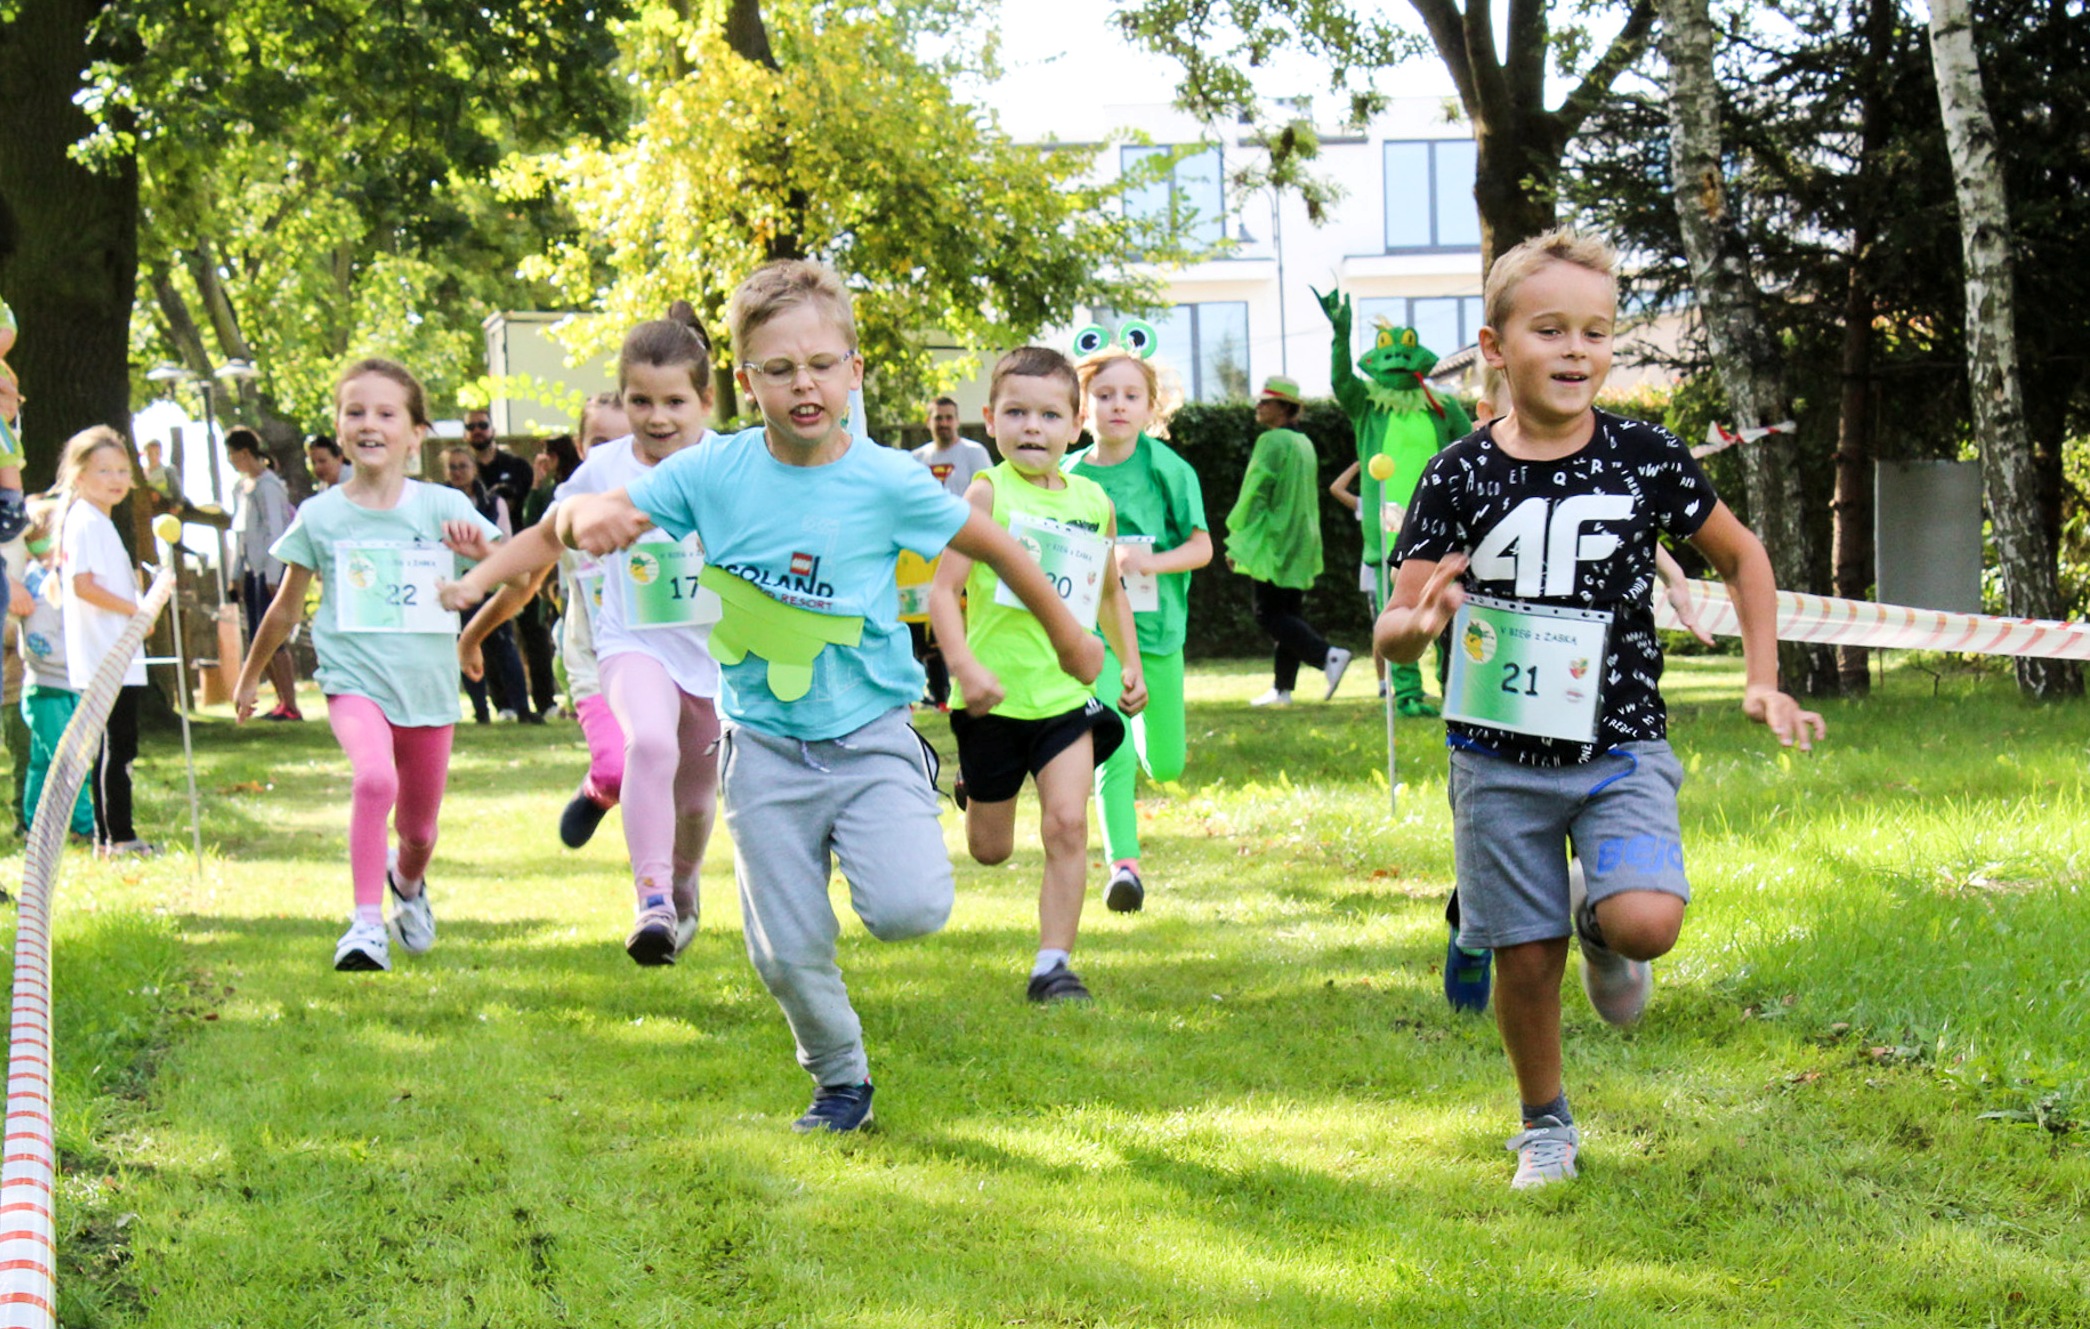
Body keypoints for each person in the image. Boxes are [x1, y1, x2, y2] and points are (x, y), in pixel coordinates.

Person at [558, 260, 1102, 1133]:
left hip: (867, 728)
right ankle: (841, 1079)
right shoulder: (716, 470)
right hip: (763, 748)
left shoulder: (888, 478)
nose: (802, 383)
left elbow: (1000, 548)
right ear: (747, 383)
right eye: (778, 369)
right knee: (788, 952)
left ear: (855, 370)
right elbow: (600, 509)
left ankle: (881, 807)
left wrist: (1072, 637)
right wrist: (574, 524)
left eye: (821, 364)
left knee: (910, 907)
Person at [1375, 230, 1825, 1189]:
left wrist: (1762, 675)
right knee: (1522, 957)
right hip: (1496, 755)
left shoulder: (1646, 454)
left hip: (1619, 742)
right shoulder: (1456, 474)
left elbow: (1743, 557)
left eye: (1596, 331)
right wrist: (1418, 628)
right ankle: (1545, 1123)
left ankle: (1602, 922)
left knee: (1649, 923)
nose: (1577, 350)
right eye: (1550, 330)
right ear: (1496, 347)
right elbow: (1395, 624)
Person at [444, 307, 724, 964]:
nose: (658, 417)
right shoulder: (600, 473)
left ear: (706, 401)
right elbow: (541, 543)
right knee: (647, 745)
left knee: (696, 799)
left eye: (675, 401)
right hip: (632, 644)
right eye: (641, 401)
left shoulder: (733, 463)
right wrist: (476, 580)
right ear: (624, 402)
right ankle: (651, 899)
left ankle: (684, 882)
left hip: (713, 660)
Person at [235, 358, 499, 971]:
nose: (368, 424)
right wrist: (250, 676)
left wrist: (478, 556)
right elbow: (284, 608)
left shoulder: (441, 507)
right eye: (355, 412)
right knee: (373, 779)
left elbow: (514, 570)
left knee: (419, 835)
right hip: (354, 684)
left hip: (429, 693)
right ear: (338, 426)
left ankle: (407, 885)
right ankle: (364, 925)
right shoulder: (321, 516)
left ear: (416, 433)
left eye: (386, 413)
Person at [930, 347, 1144, 1003]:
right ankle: (970, 782)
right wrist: (961, 665)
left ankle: (1053, 965)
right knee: (990, 851)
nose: (1032, 427)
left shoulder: (1094, 501)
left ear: (1076, 425)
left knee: (1066, 825)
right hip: (993, 697)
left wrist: (1129, 662)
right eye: (1017, 412)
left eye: (1049, 415)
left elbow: (1110, 592)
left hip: (1064, 697)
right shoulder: (986, 493)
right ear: (991, 419)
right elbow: (943, 590)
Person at [1065, 345, 1211, 915]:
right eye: (1103, 396)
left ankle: (1155, 752)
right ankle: (1124, 868)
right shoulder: (1069, 474)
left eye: (1130, 396)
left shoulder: (1169, 470)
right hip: (1094, 640)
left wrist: (1149, 562)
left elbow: (1202, 547)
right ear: (1083, 406)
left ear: (1152, 407)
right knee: (1112, 753)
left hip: (1158, 633)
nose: (1116, 406)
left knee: (1166, 764)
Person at [56, 427, 155, 856]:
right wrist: (136, 611)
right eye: (103, 470)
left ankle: (108, 837)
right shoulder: (86, 522)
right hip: (105, 656)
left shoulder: (98, 521)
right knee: (116, 748)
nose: (116, 479)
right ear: (79, 475)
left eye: (121, 470)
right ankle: (119, 836)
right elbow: (84, 585)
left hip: (115, 652)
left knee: (112, 746)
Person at [1225, 374, 1349, 707]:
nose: (1258, 406)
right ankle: (1283, 689)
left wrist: (1238, 541)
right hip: (1302, 540)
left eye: (1265, 401)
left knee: (1268, 613)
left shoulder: (1272, 442)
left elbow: (1255, 493)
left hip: (1274, 541)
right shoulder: (1304, 443)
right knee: (1289, 612)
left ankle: (1327, 656)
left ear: (1283, 407)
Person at [15, 499, 94, 840]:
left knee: (43, 762)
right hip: (49, 688)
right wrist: (75, 659)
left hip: (62, 686)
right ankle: (84, 826)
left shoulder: (54, 578)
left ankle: (36, 824)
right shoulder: (38, 583)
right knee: (71, 763)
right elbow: (36, 641)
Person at [906, 396, 993, 708]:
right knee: (928, 620)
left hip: (967, 546)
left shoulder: (973, 452)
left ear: (957, 420)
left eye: (949, 417)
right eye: (938, 417)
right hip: (926, 555)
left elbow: (989, 501)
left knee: (970, 615)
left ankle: (977, 673)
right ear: (928, 421)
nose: (943, 423)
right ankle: (937, 688)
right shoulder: (917, 459)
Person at [440, 445, 533, 723]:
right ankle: (481, 709)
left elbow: (506, 541)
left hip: (492, 582)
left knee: (503, 646)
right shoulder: (440, 502)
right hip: (454, 584)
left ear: (474, 468)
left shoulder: (493, 502)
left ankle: (521, 708)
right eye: (452, 467)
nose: (458, 472)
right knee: (464, 643)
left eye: (463, 466)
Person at [226, 428, 301, 720]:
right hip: (252, 571)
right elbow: (240, 535)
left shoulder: (269, 485)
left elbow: (276, 529)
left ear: (244, 452)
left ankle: (291, 703)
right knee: (258, 636)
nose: (231, 461)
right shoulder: (242, 487)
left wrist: (273, 573)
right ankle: (281, 700)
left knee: (274, 638)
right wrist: (235, 574)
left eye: (233, 454)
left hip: (269, 571)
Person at [465, 407, 533, 528]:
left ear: (493, 430)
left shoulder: (518, 466)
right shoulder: (461, 471)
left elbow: (531, 507)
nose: (477, 430)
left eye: (483, 425)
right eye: (471, 427)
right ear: (465, 435)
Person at [139, 439, 184, 510]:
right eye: (150, 453)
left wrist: (175, 505)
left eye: (157, 453)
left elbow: (177, 491)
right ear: (144, 454)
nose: (153, 457)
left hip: (166, 505)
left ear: (161, 454)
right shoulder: (141, 473)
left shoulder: (168, 470)